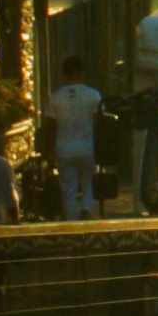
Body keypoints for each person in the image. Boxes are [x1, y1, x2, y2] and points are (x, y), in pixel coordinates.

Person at [45, 56, 102, 222]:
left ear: (64, 74)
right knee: (88, 183)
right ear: (82, 72)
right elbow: (99, 123)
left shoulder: (55, 97)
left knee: (68, 188)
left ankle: (71, 221)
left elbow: (50, 126)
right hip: (87, 147)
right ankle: (86, 208)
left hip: (64, 149)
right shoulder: (94, 95)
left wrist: (49, 152)